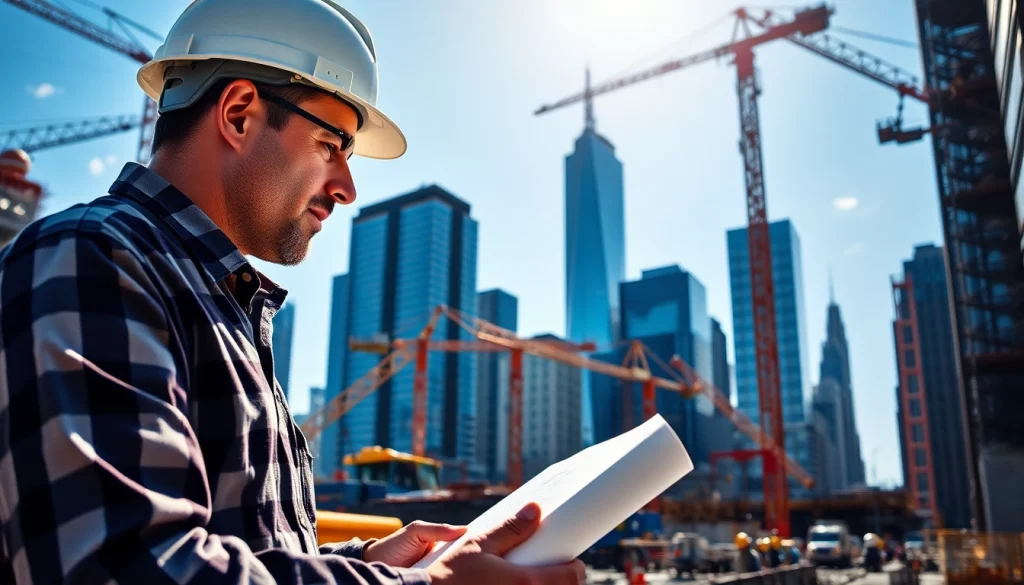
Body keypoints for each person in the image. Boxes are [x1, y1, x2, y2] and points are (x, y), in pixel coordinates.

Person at [0, 1, 586, 584]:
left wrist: (363, 565)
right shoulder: (91, 257)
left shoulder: (218, 306)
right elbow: (123, 567)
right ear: (237, 114)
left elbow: (241, 548)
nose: (348, 187)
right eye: (332, 145)